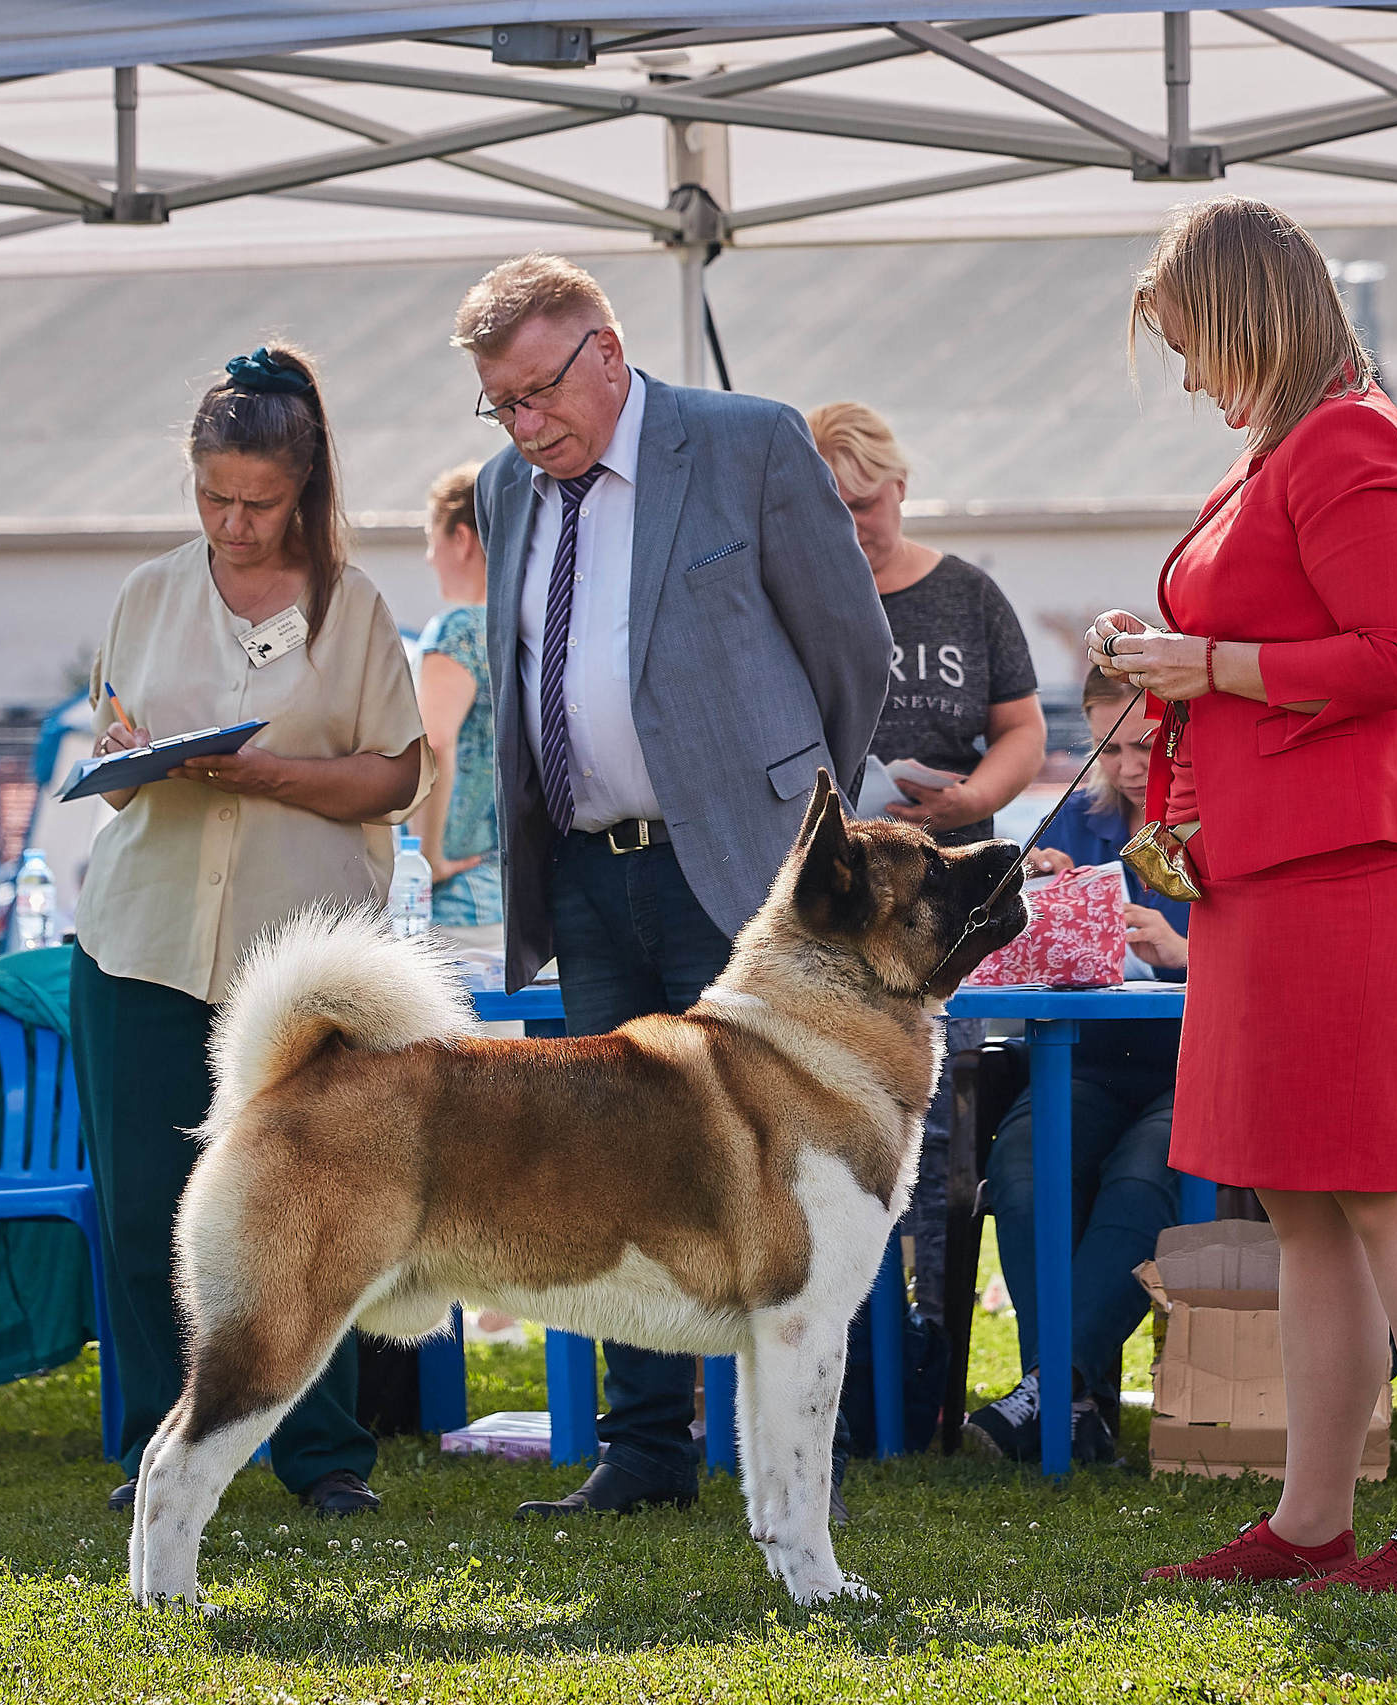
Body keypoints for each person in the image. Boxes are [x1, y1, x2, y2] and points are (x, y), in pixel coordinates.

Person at [1091, 196, 1397, 1592]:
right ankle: (1311, 1518)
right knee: (1304, 1203)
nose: (1193, 376)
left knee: (1389, 1192)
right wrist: (1166, 655)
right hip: (1264, 869)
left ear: (1250, 317)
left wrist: (1208, 666)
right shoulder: (1290, 448)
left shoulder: (1349, 444)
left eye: (1194, 343)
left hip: (1339, 867)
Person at [455, 254, 889, 1521]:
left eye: (540, 392)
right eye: (501, 406)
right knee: (602, 1166)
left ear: (604, 349)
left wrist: (796, 809)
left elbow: (847, 649)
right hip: (589, 874)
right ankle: (643, 1450)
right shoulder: (503, 490)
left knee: (779, 1159)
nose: (526, 426)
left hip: (749, 875)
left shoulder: (747, 444)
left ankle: (808, 1444)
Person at [69, 343, 430, 1521]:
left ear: (305, 486)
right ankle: (152, 1450)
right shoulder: (144, 594)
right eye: (212, 496)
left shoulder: (359, 605)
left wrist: (272, 774)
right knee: (140, 1211)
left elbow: (391, 778)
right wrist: (126, 760)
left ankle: (321, 1456)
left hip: (303, 968)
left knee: (305, 1208)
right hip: (142, 944)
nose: (232, 522)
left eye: (257, 503)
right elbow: (113, 770)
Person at [806, 399, 1045, 1385]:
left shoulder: (967, 596)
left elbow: (1021, 729)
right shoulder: (804, 598)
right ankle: (861, 1366)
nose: (856, 526)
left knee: (942, 1128)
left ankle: (935, 1352)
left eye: (866, 503)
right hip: (841, 915)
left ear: (900, 487)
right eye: (833, 511)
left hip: (947, 906)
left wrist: (975, 799)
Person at [963, 667, 1188, 1463]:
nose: (1129, 764)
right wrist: (1036, 910)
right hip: (1079, 1062)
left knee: (1139, 1182)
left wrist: (1180, 950)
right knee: (1023, 1173)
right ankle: (1069, 1399)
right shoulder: (1075, 831)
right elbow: (995, 962)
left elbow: (1281, 966)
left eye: (1147, 742)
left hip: (1187, 1070)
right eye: (1108, 746)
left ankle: (1046, 1391)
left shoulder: (1216, 825)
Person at [415, 463, 505, 954]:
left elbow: (434, 740)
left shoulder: (458, 630)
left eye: (432, 539)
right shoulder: (526, 628)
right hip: (511, 900)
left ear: (463, 538)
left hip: (455, 905)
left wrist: (430, 856)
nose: (430, 558)